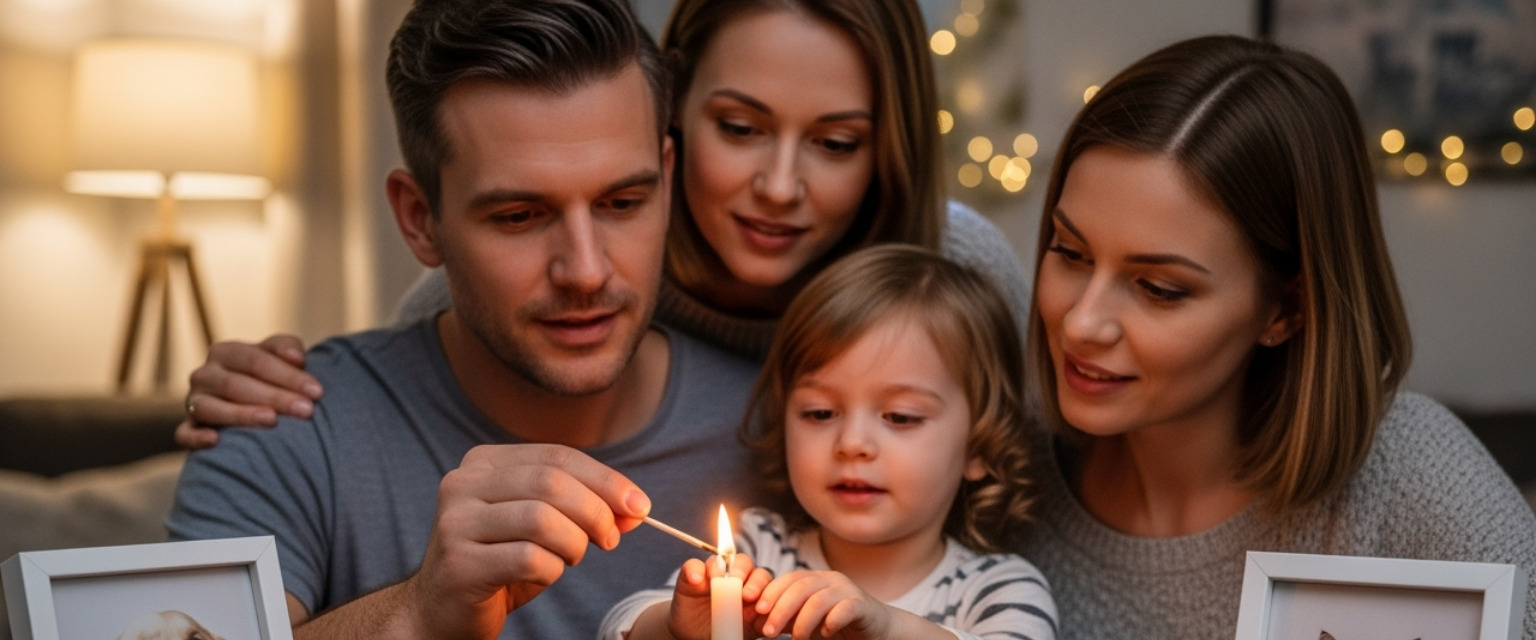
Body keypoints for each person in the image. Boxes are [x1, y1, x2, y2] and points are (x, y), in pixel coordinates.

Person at [167, 0, 765, 640]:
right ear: (421, 221)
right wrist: (419, 617)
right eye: (519, 215)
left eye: (624, 203)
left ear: (666, 176)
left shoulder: (789, 433)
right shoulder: (285, 423)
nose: (586, 268)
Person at [1004, 35, 1536, 640]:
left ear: (1287, 309)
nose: (1081, 322)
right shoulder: (1001, 471)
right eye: (1069, 253)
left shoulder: (1408, 474)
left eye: (1159, 288)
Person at [172, 0, 1030, 446]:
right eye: (738, 128)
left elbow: (1030, 501)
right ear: (672, 122)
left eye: (837, 143)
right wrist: (278, 393)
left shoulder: (955, 267)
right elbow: (415, 410)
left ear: (890, 151)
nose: (778, 186)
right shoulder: (568, 283)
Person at [598, 245, 1054, 640]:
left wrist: (890, 634)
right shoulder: (757, 555)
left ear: (980, 445)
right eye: (819, 413)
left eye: (900, 417)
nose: (852, 444)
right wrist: (677, 633)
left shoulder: (998, 586)